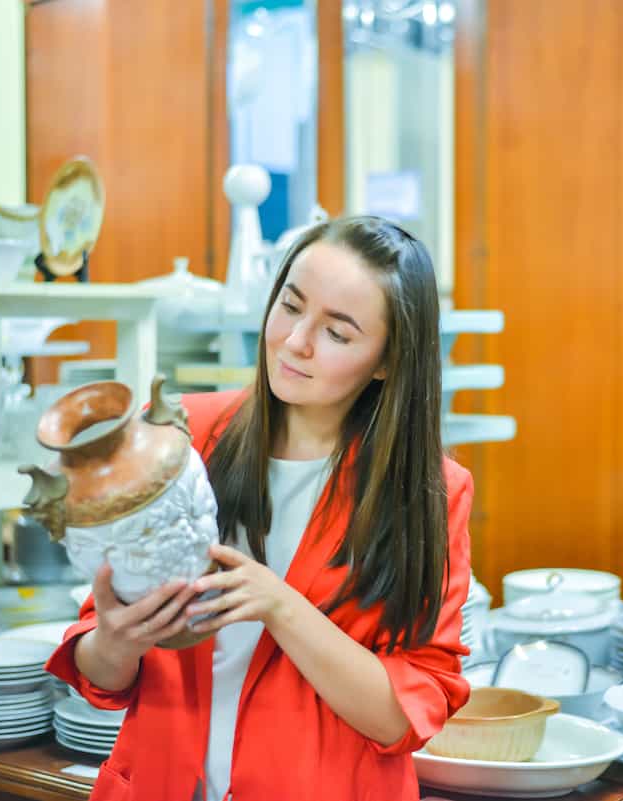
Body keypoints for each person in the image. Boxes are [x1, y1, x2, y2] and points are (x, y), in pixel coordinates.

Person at [46, 216, 474, 801]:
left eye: (337, 334)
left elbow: (402, 716)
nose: (296, 341)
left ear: (386, 362)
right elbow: (98, 670)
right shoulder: (183, 437)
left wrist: (279, 605)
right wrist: (118, 642)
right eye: (291, 306)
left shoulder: (429, 492)